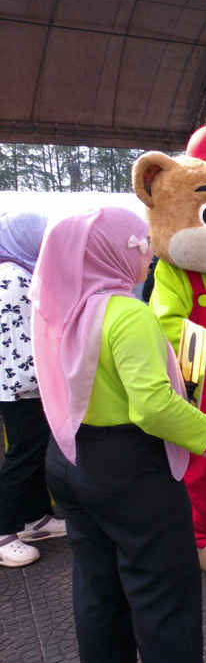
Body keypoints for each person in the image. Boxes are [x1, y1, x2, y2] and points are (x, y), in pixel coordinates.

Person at [33, 207, 206, 663]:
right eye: (140, 245)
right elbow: (152, 405)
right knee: (165, 595)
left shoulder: (64, 305)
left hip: (68, 455)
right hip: (129, 470)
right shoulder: (128, 312)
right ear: (112, 253)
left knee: (99, 592)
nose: (148, 256)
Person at [0, 209, 66, 569]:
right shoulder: (12, 277)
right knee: (23, 456)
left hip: (27, 382)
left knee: (35, 450)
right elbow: (18, 341)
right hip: (23, 384)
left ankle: (36, 519)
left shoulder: (20, 270)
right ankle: (4, 533)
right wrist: (42, 380)